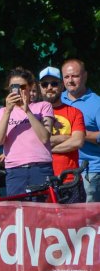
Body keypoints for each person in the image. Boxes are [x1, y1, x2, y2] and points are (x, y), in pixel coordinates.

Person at [0, 67, 54, 197]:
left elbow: (44, 137)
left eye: (22, 86)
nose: (17, 90)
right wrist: (8, 111)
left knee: (43, 213)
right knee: (18, 213)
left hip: (40, 167)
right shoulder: (3, 112)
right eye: (13, 87)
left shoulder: (43, 106)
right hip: (15, 170)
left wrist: (27, 111)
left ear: (30, 87)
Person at [39, 66, 86, 200]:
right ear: (39, 87)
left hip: (69, 180)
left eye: (54, 83)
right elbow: (30, 142)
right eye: (44, 84)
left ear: (61, 86)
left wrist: (44, 149)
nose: (49, 87)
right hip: (41, 181)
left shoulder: (74, 112)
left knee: (75, 222)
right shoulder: (32, 114)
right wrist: (65, 137)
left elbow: (77, 141)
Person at [60, 58, 100, 202]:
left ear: (85, 76)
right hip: (62, 169)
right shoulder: (56, 100)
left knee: (89, 220)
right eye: (66, 76)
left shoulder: (96, 103)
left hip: (90, 171)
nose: (70, 80)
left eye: (75, 76)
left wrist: (81, 134)